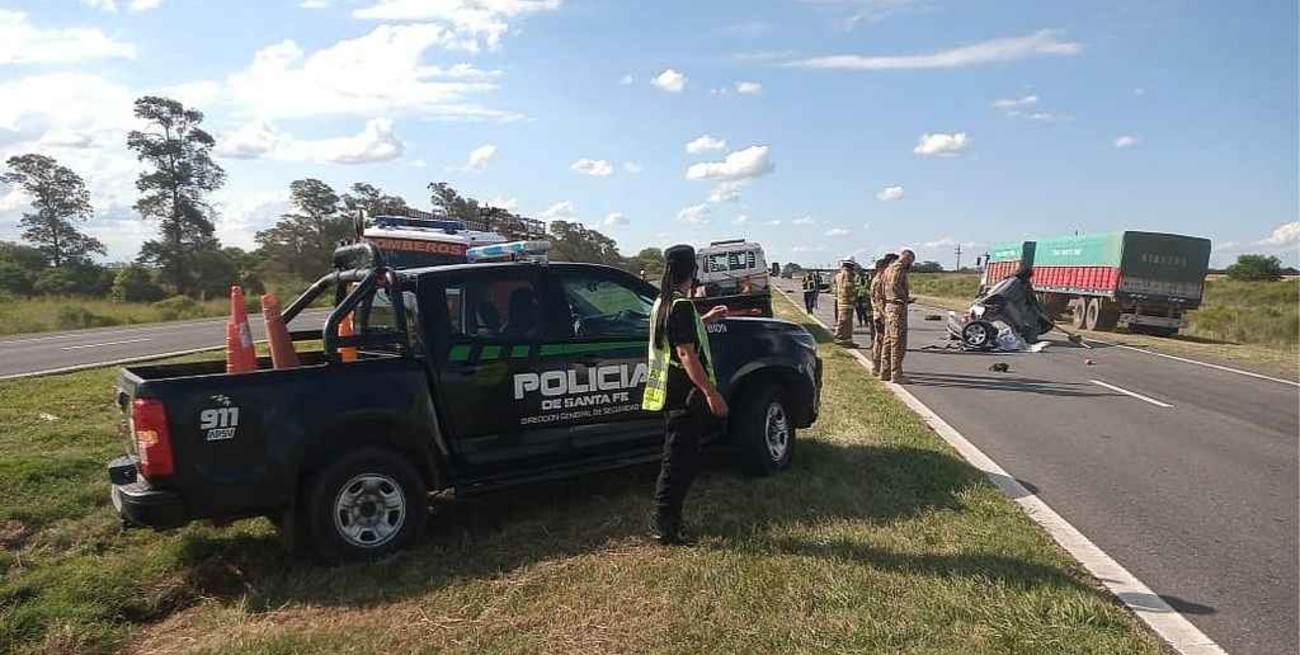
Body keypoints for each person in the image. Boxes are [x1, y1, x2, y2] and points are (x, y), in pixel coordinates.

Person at [642, 245, 729, 546]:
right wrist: (711, 393)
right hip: (683, 394)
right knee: (677, 462)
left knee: (680, 458)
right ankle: (666, 526)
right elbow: (685, 352)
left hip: (669, 390)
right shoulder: (680, 306)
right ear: (691, 272)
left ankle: (670, 521)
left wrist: (706, 318)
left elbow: (677, 335)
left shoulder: (663, 303)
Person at [879, 249, 914, 383]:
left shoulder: (888, 269)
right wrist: (905, 298)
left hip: (889, 306)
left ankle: (885, 371)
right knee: (898, 342)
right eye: (910, 262)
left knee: (888, 341)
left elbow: (882, 288)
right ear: (907, 259)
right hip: (897, 307)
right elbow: (895, 285)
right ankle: (896, 374)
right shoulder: (898, 269)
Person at [869, 254, 898, 372]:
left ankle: (879, 366)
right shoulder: (880, 279)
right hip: (880, 315)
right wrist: (883, 314)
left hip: (881, 314)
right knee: (881, 340)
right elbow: (879, 299)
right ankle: (877, 366)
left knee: (881, 340)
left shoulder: (881, 278)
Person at [831, 259, 858, 347]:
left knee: (846, 322)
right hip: (847, 301)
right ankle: (839, 338)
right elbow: (848, 288)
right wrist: (854, 298)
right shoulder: (847, 275)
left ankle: (847, 340)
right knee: (844, 321)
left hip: (841, 301)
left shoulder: (838, 275)